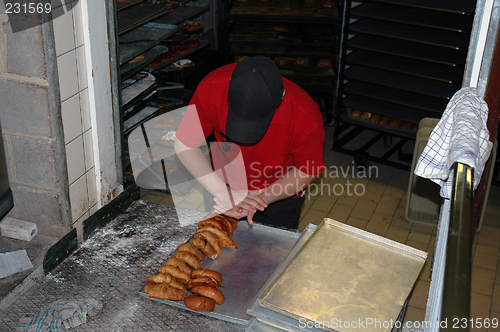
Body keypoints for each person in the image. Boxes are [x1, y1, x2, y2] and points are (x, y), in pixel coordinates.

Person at [174, 56, 325, 229]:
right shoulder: (212, 87)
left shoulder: (305, 116)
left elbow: (306, 171)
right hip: (219, 184)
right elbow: (185, 144)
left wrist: (261, 199)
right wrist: (223, 192)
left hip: (278, 194)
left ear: (281, 98)